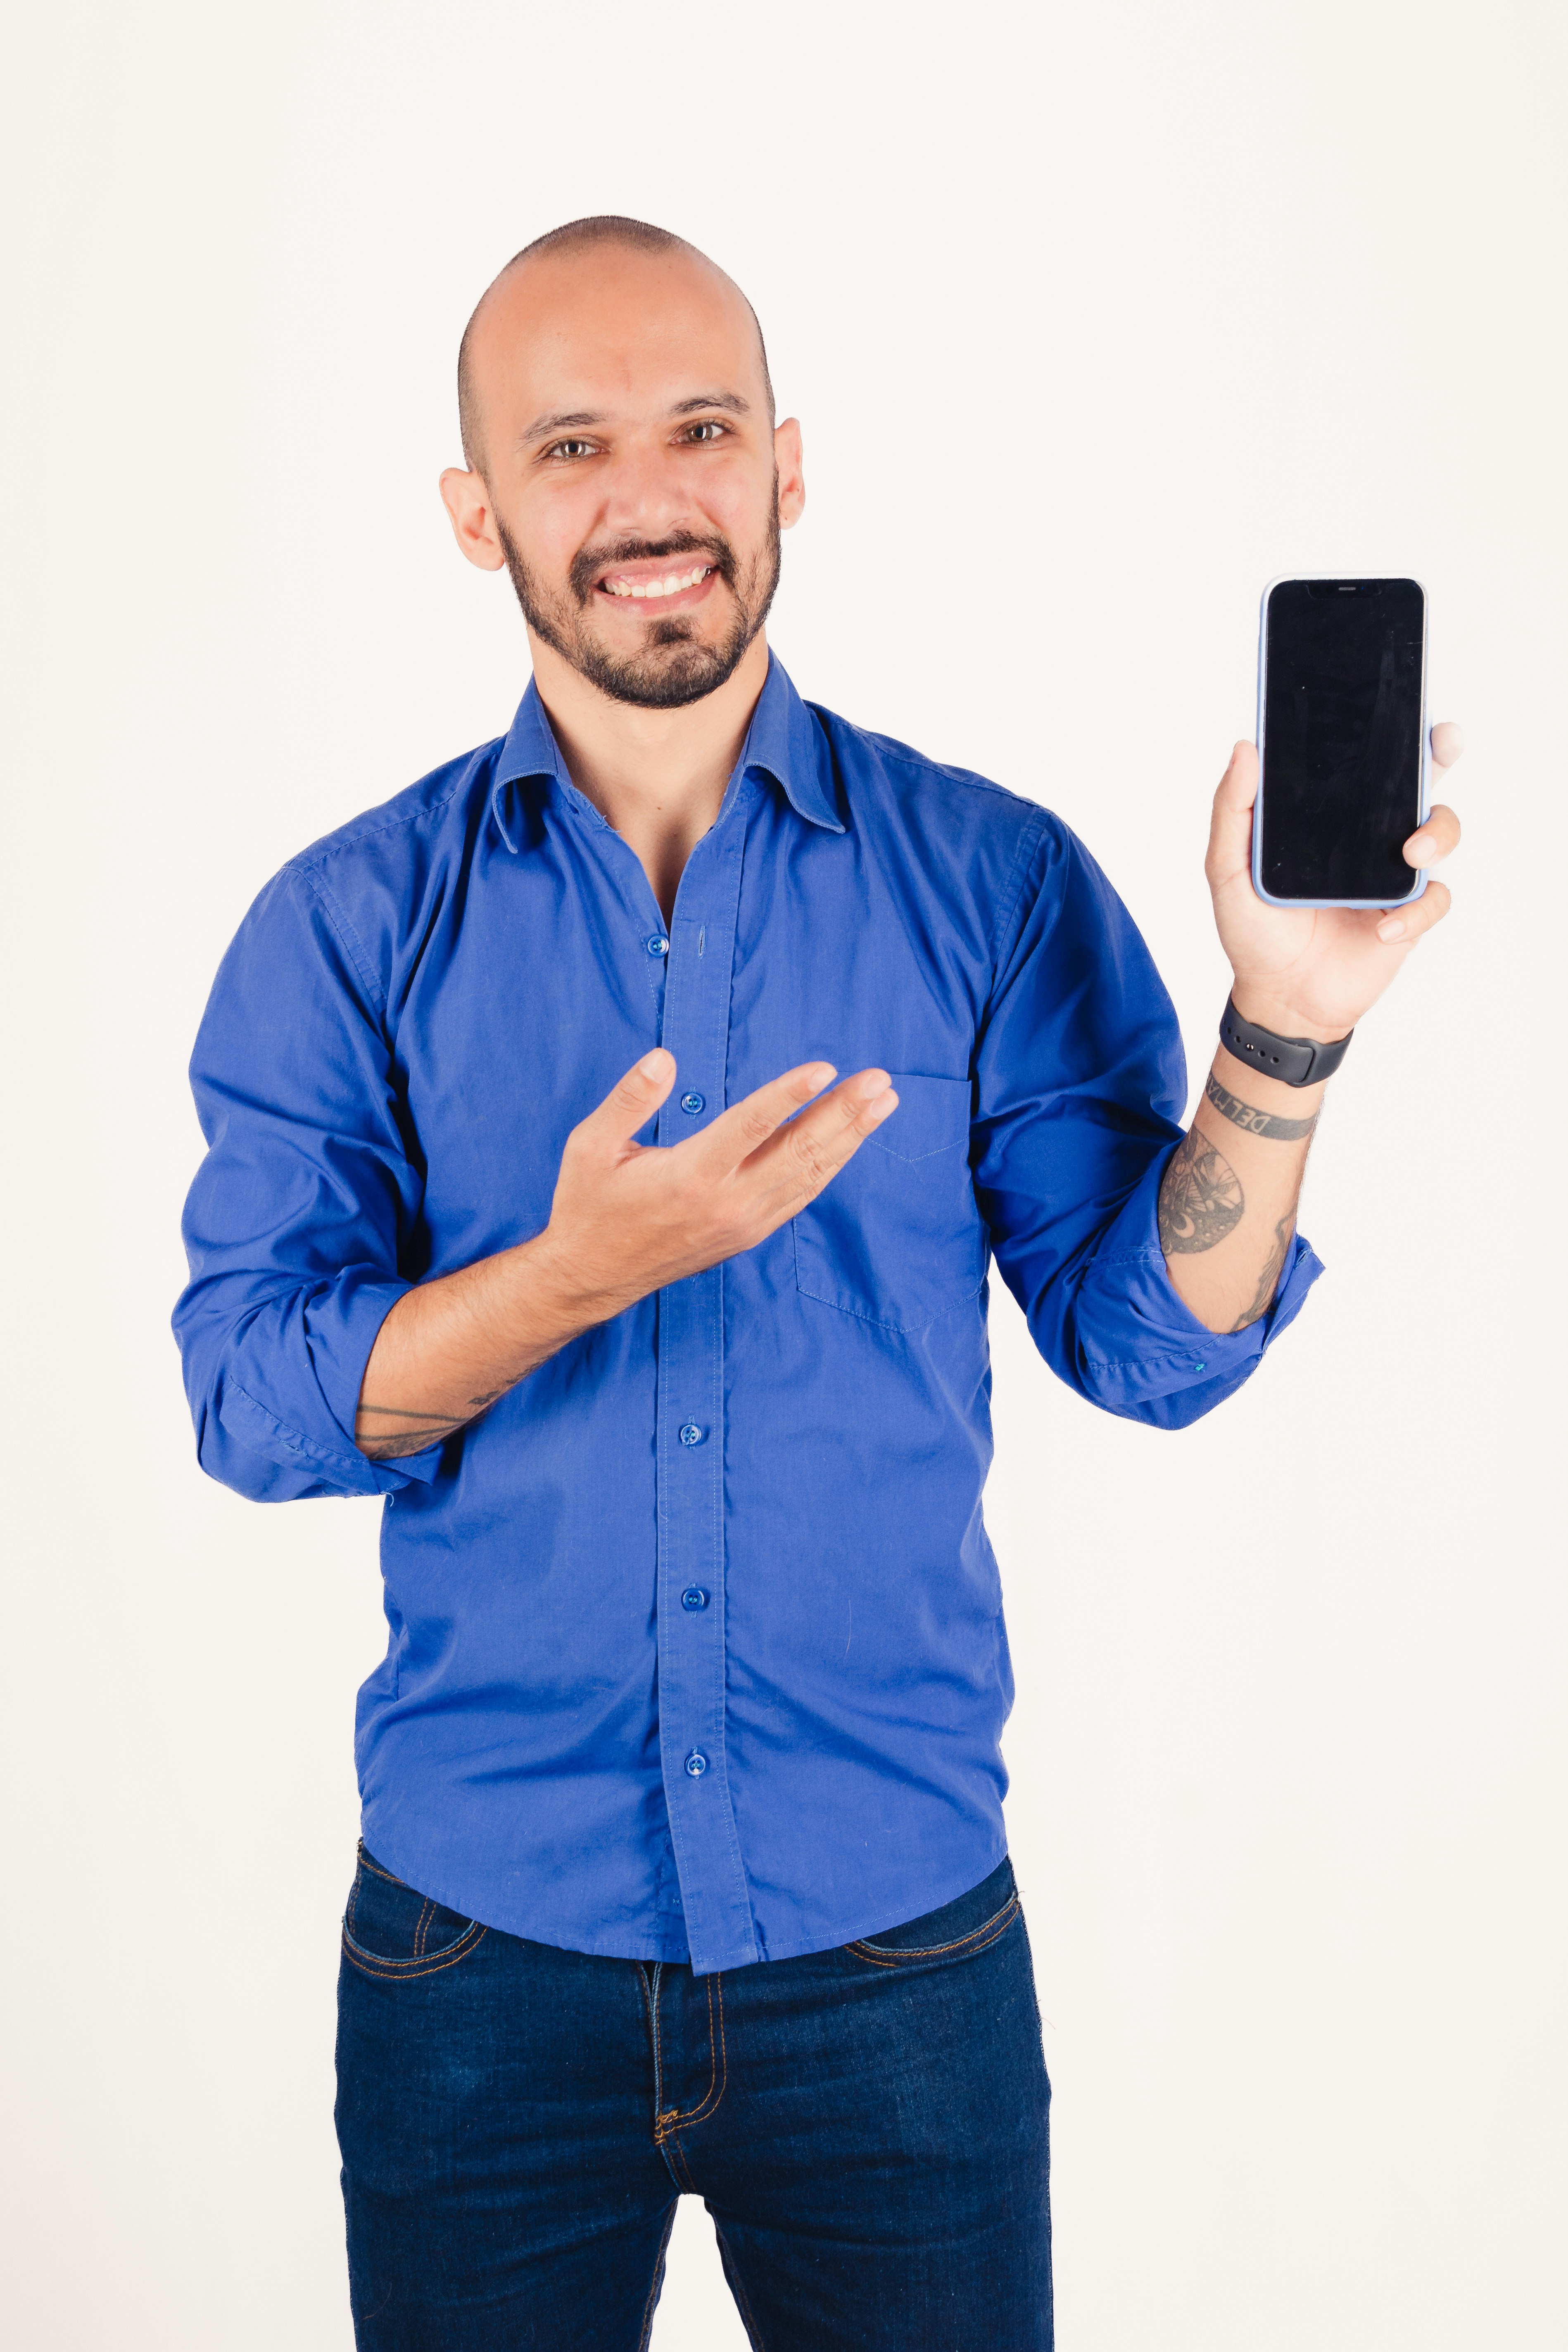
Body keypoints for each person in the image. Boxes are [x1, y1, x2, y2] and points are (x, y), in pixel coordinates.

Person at [174, 216, 1462, 2352]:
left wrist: (1285, 1024)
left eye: (697, 430)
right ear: (473, 513)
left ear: (785, 466)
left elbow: (1146, 1353)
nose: (647, 496)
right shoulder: (341, 925)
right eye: (569, 445)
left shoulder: (985, 876)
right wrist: (567, 1278)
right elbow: (255, 1400)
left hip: (893, 1958)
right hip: (474, 1961)